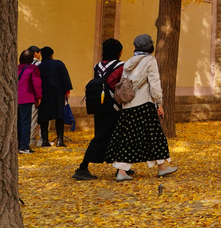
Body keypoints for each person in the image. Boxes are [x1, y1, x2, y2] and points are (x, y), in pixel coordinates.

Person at [105, 34, 177, 179]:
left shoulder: (129, 62)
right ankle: (123, 171)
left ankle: (160, 167)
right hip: (144, 104)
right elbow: (155, 83)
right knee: (152, 136)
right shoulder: (150, 60)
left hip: (128, 105)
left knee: (132, 137)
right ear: (150, 47)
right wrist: (159, 102)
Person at [73, 38, 127, 180]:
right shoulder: (121, 66)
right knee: (104, 137)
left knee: (108, 136)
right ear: (119, 52)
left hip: (99, 105)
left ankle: (121, 168)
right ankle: (82, 167)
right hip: (114, 107)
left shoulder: (98, 66)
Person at [37, 46, 72, 147]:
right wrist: (67, 91)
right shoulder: (59, 63)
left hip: (44, 93)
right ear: (52, 55)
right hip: (58, 92)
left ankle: (45, 141)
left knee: (44, 116)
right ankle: (60, 140)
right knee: (59, 115)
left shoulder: (39, 67)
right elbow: (65, 77)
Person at [17, 48, 41, 154]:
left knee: (18, 122)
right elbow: (36, 83)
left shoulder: (16, 68)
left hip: (15, 98)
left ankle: (17, 144)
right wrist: (38, 97)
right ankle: (24, 146)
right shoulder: (33, 68)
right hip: (26, 97)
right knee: (26, 122)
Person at [28, 45, 42, 147]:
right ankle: (37, 138)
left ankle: (30, 137)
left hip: (27, 94)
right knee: (38, 117)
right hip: (37, 94)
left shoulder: (25, 64)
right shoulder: (39, 65)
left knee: (30, 117)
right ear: (36, 53)